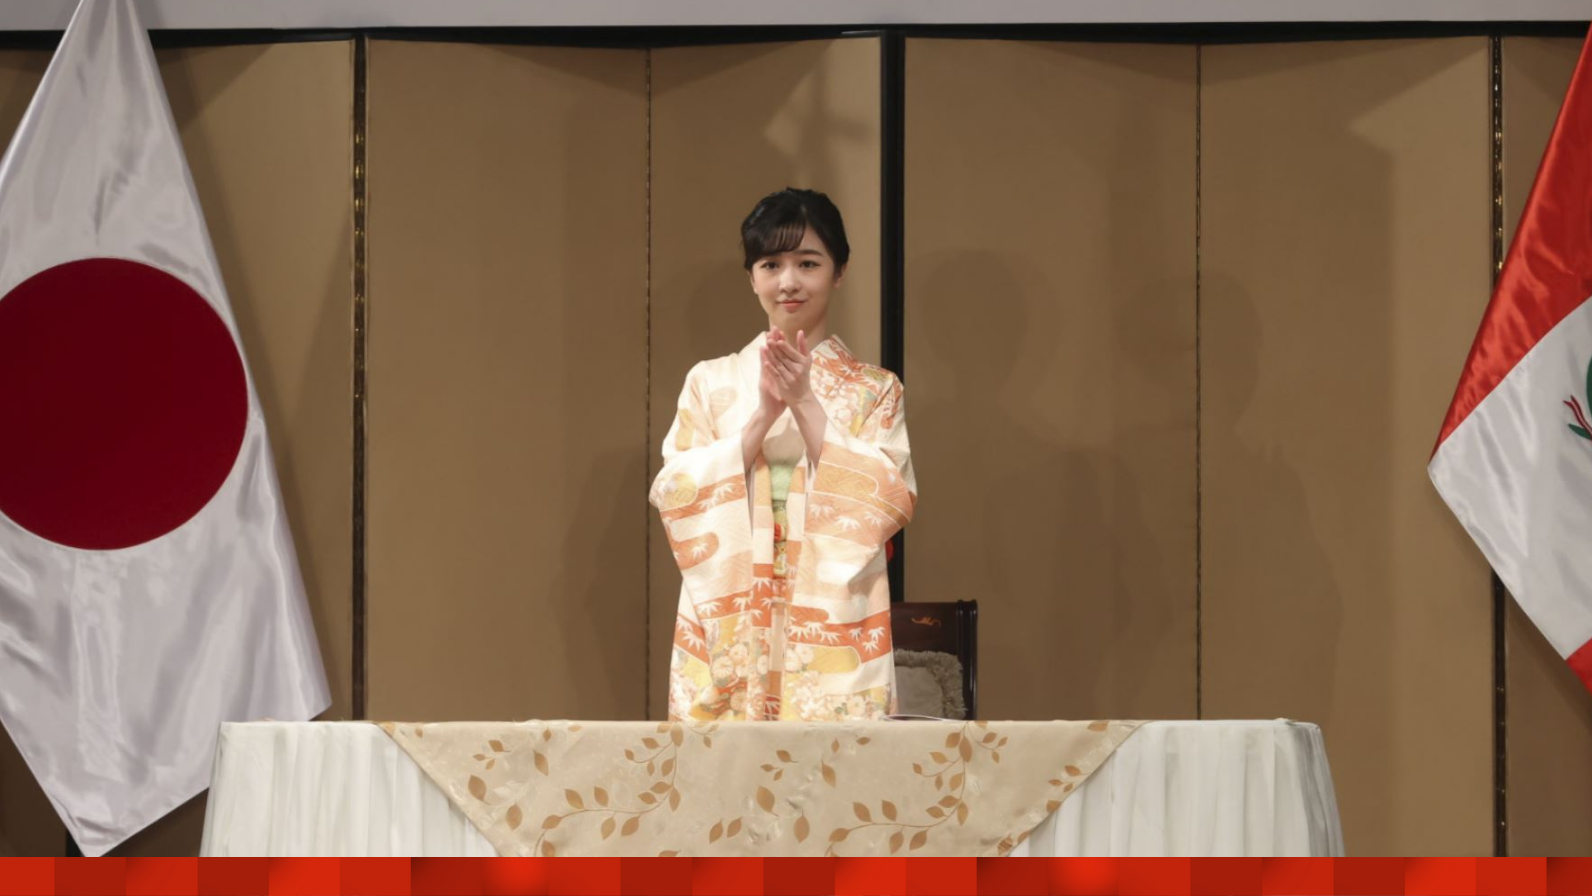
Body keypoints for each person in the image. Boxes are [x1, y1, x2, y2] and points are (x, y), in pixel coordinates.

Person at [651, 188, 916, 722]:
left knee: (833, 762)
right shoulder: (710, 381)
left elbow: (888, 500)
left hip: (833, 606)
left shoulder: (875, 390)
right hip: (733, 601)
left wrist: (805, 402)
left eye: (808, 263)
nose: (788, 281)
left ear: (839, 272)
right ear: (752, 277)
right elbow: (677, 492)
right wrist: (762, 417)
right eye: (771, 264)